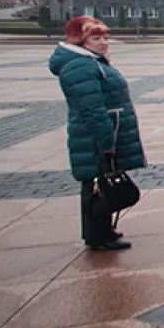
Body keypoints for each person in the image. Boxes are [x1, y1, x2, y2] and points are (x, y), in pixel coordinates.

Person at [49, 17, 145, 251]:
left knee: (100, 184)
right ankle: (98, 236)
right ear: (80, 40)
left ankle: (102, 232)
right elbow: (91, 108)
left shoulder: (90, 62)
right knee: (96, 187)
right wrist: (106, 141)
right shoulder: (80, 66)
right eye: (96, 38)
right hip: (95, 137)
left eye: (105, 37)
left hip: (104, 131)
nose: (103, 42)